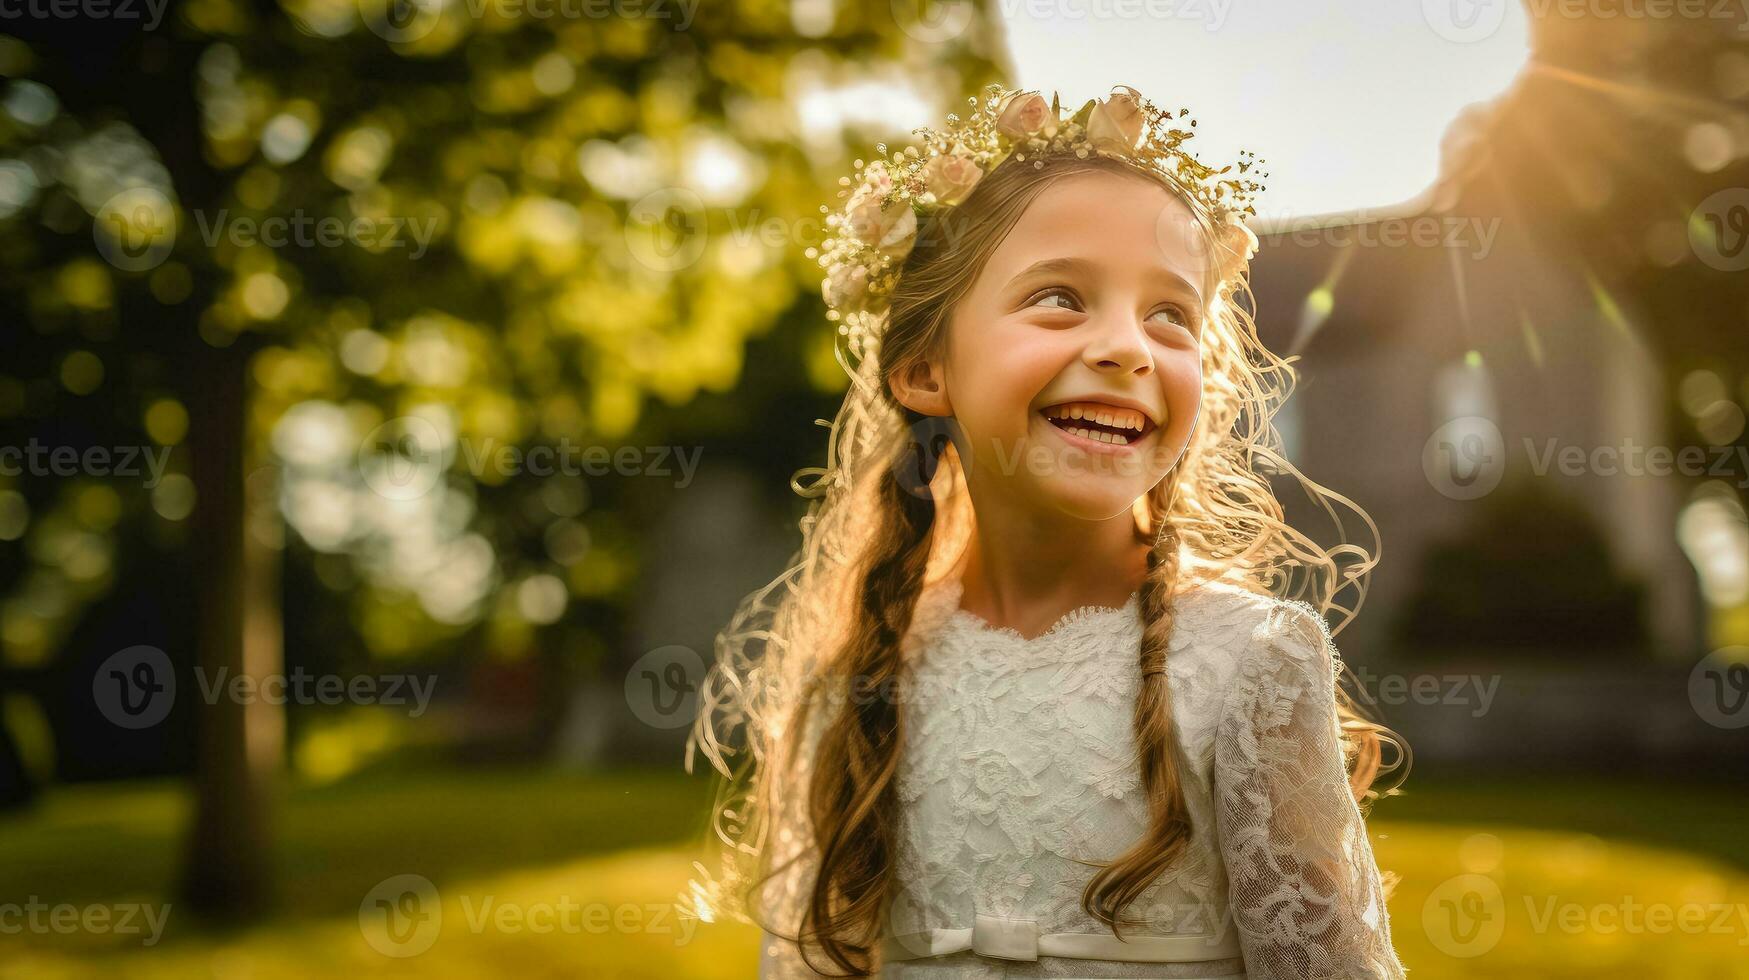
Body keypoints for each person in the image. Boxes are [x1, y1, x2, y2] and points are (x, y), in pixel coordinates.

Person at [684, 83, 1411, 980]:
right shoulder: (863, 675)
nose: (1127, 348)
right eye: (1061, 298)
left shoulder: (1246, 663)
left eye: (1169, 316)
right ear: (923, 371)